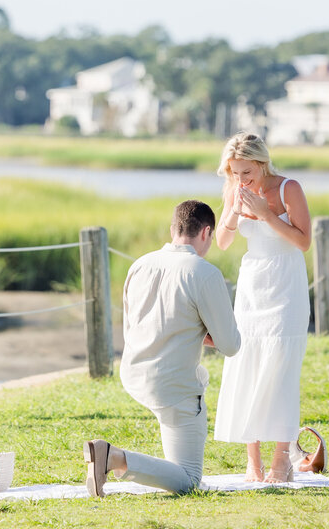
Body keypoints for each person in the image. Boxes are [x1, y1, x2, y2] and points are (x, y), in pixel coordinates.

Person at [83, 199, 241, 497]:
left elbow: (134, 326)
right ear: (207, 232)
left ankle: (112, 459)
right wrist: (205, 332)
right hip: (174, 387)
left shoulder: (140, 264)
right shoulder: (204, 273)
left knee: (177, 466)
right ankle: (111, 457)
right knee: (189, 479)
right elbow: (231, 345)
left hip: (135, 375)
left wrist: (193, 329)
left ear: (173, 229)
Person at [213, 132, 312, 483]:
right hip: (252, 286)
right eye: (234, 173)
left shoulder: (289, 189)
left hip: (286, 285)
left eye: (246, 172)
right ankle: (252, 462)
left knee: (281, 367)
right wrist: (234, 210)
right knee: (247, 365)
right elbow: (223, 243)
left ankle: (281, 458)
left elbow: (303, 242)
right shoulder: (234, 190)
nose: (240, 179)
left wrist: (266, 215)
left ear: (262, 163)